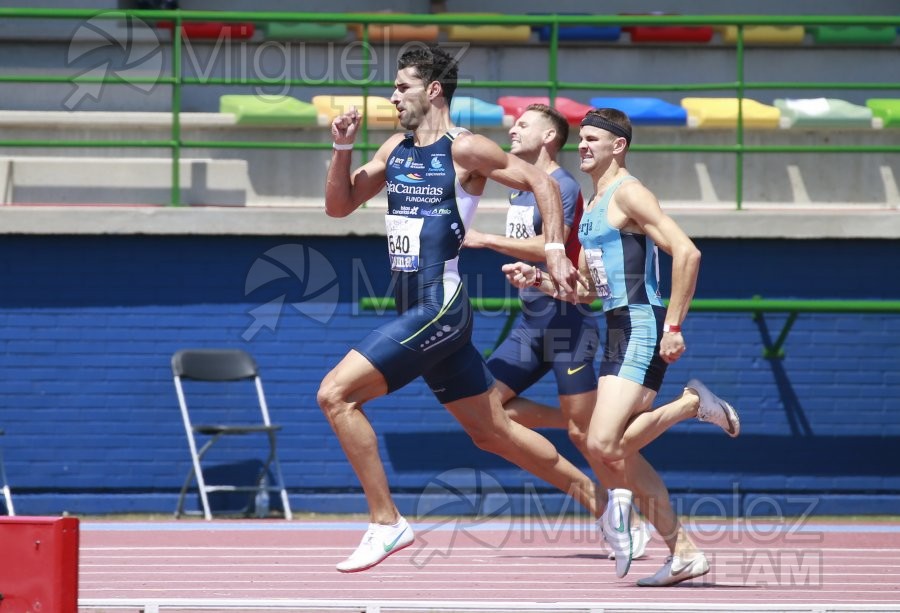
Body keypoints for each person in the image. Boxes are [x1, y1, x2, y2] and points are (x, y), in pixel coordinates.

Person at [319, 44, 604, 574]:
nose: (393, 95)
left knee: (335, 396)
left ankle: (386, 522)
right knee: (490, 432)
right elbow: (339, 206)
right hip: (416, 306)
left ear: (432, 91)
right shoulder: (395, 150)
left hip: (440, 305)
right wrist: (342, 149)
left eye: (402, 86)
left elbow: (540, 180)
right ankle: (601, 500)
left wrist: (549, 248)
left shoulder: (464, 149)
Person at [502, 107, 741, 586]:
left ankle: (692, 404)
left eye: (593, 139)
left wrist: (673, 324)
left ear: (619, 146)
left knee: (602, 443)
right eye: (581, 140)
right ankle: (683, 552)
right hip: (614, 327)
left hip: (643, 326)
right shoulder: (593, 208)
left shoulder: (630, 193)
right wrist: (543, 281)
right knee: (618, 454)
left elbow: (687, 252)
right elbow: (591, 289)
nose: (583, 146)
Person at [462, 103, 649, 559]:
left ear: (549, 137)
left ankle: (631, 523)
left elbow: (548, 248)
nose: (512, 129)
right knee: (485, 408)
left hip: (568, 322)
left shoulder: (561, 186)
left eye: (523, 124)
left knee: (588, 437)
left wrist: (483, 238)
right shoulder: (518, 190)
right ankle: (578, 451)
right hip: (531, 322)